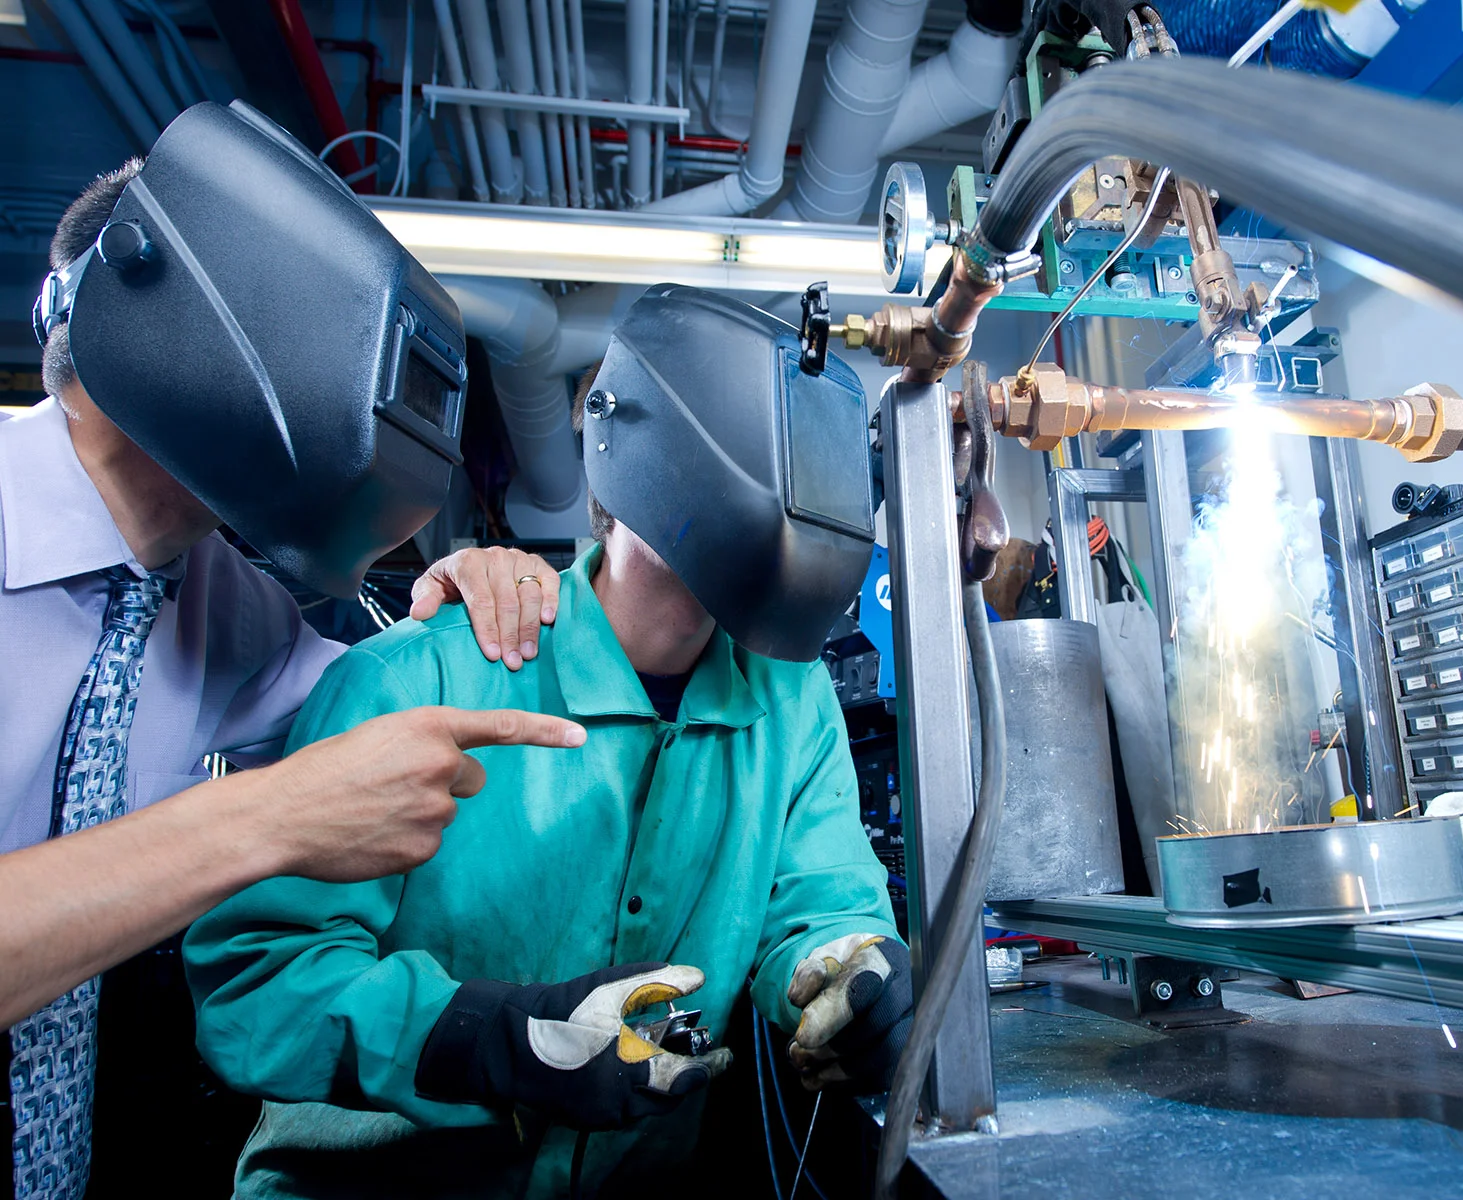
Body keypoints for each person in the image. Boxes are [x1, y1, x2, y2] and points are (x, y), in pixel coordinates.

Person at [184, 286, 915, 1197]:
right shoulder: (417, 680)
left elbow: (819, 902)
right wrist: (492, 1042)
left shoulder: (791, 704)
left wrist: (844, 970)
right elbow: (261, 983)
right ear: (631, 457)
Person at [2, 101, 577, 1199]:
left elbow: (383, 700)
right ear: (144, 302)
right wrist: (263, 819)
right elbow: (301, 802)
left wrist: (466, 593)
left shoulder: (228, 610)